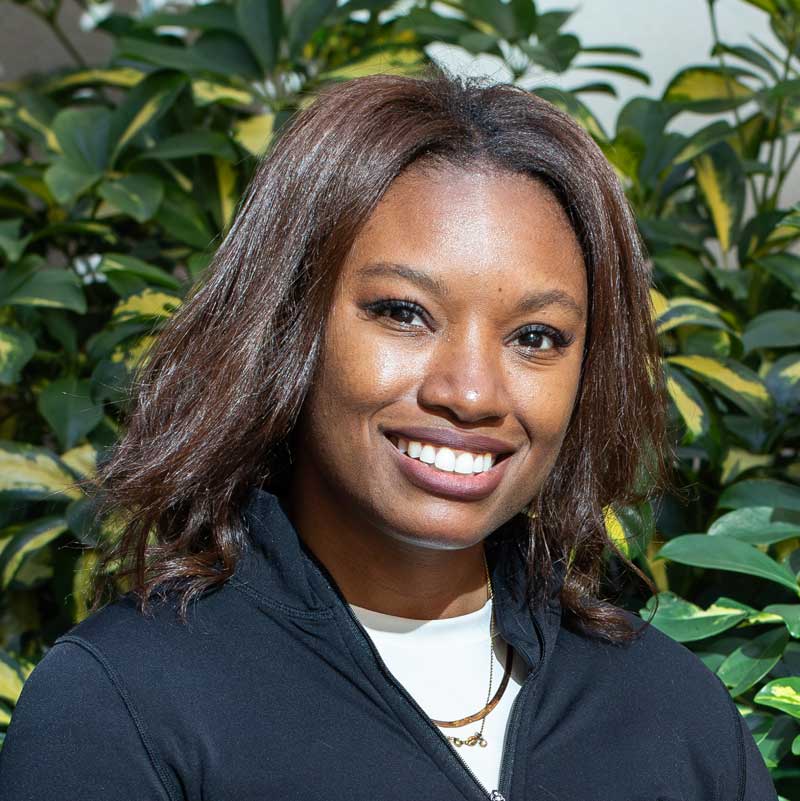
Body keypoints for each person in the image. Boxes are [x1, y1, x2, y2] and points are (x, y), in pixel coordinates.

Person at [0, 66, 777, 801]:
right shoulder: (122, 705)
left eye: (536, 336)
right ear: (286, 326)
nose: (471, 392)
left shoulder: (674, 714)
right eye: (404, 312)